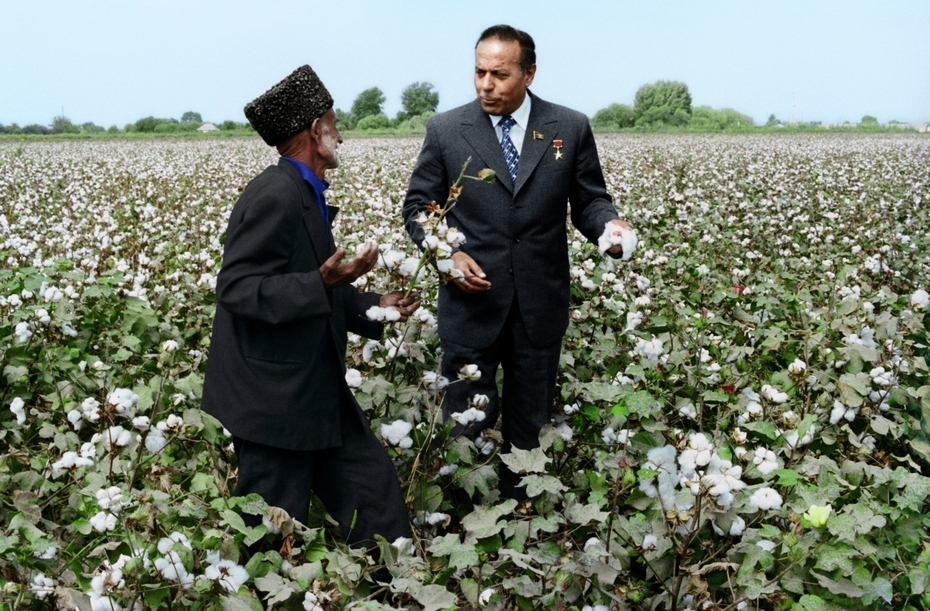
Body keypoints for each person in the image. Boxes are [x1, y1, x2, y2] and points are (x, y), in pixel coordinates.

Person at [402, 25, 633, 500]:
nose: (486, 84)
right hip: (471, 305)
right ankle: (465, 518)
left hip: (538, 305)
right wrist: (448, 256)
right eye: (480, 72)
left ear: (528, 73)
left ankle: (521, 519)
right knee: (465, 427)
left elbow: (589, 200)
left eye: (500, 75)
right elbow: (418, 209)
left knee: (530, 428)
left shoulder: (569, 127)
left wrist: (610, 229)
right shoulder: (446, 131)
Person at [202, 65, 417, 547]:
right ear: (314, 131)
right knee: (270, 528)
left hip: (311, 388)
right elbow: (237, 288)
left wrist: (373, 306)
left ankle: (397, 587)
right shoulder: (274, 194)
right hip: (274, 400)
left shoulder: (305, 193)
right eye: (334, 122)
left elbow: (315, 286)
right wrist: (319, 281)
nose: (341, 133)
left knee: (372, 490)